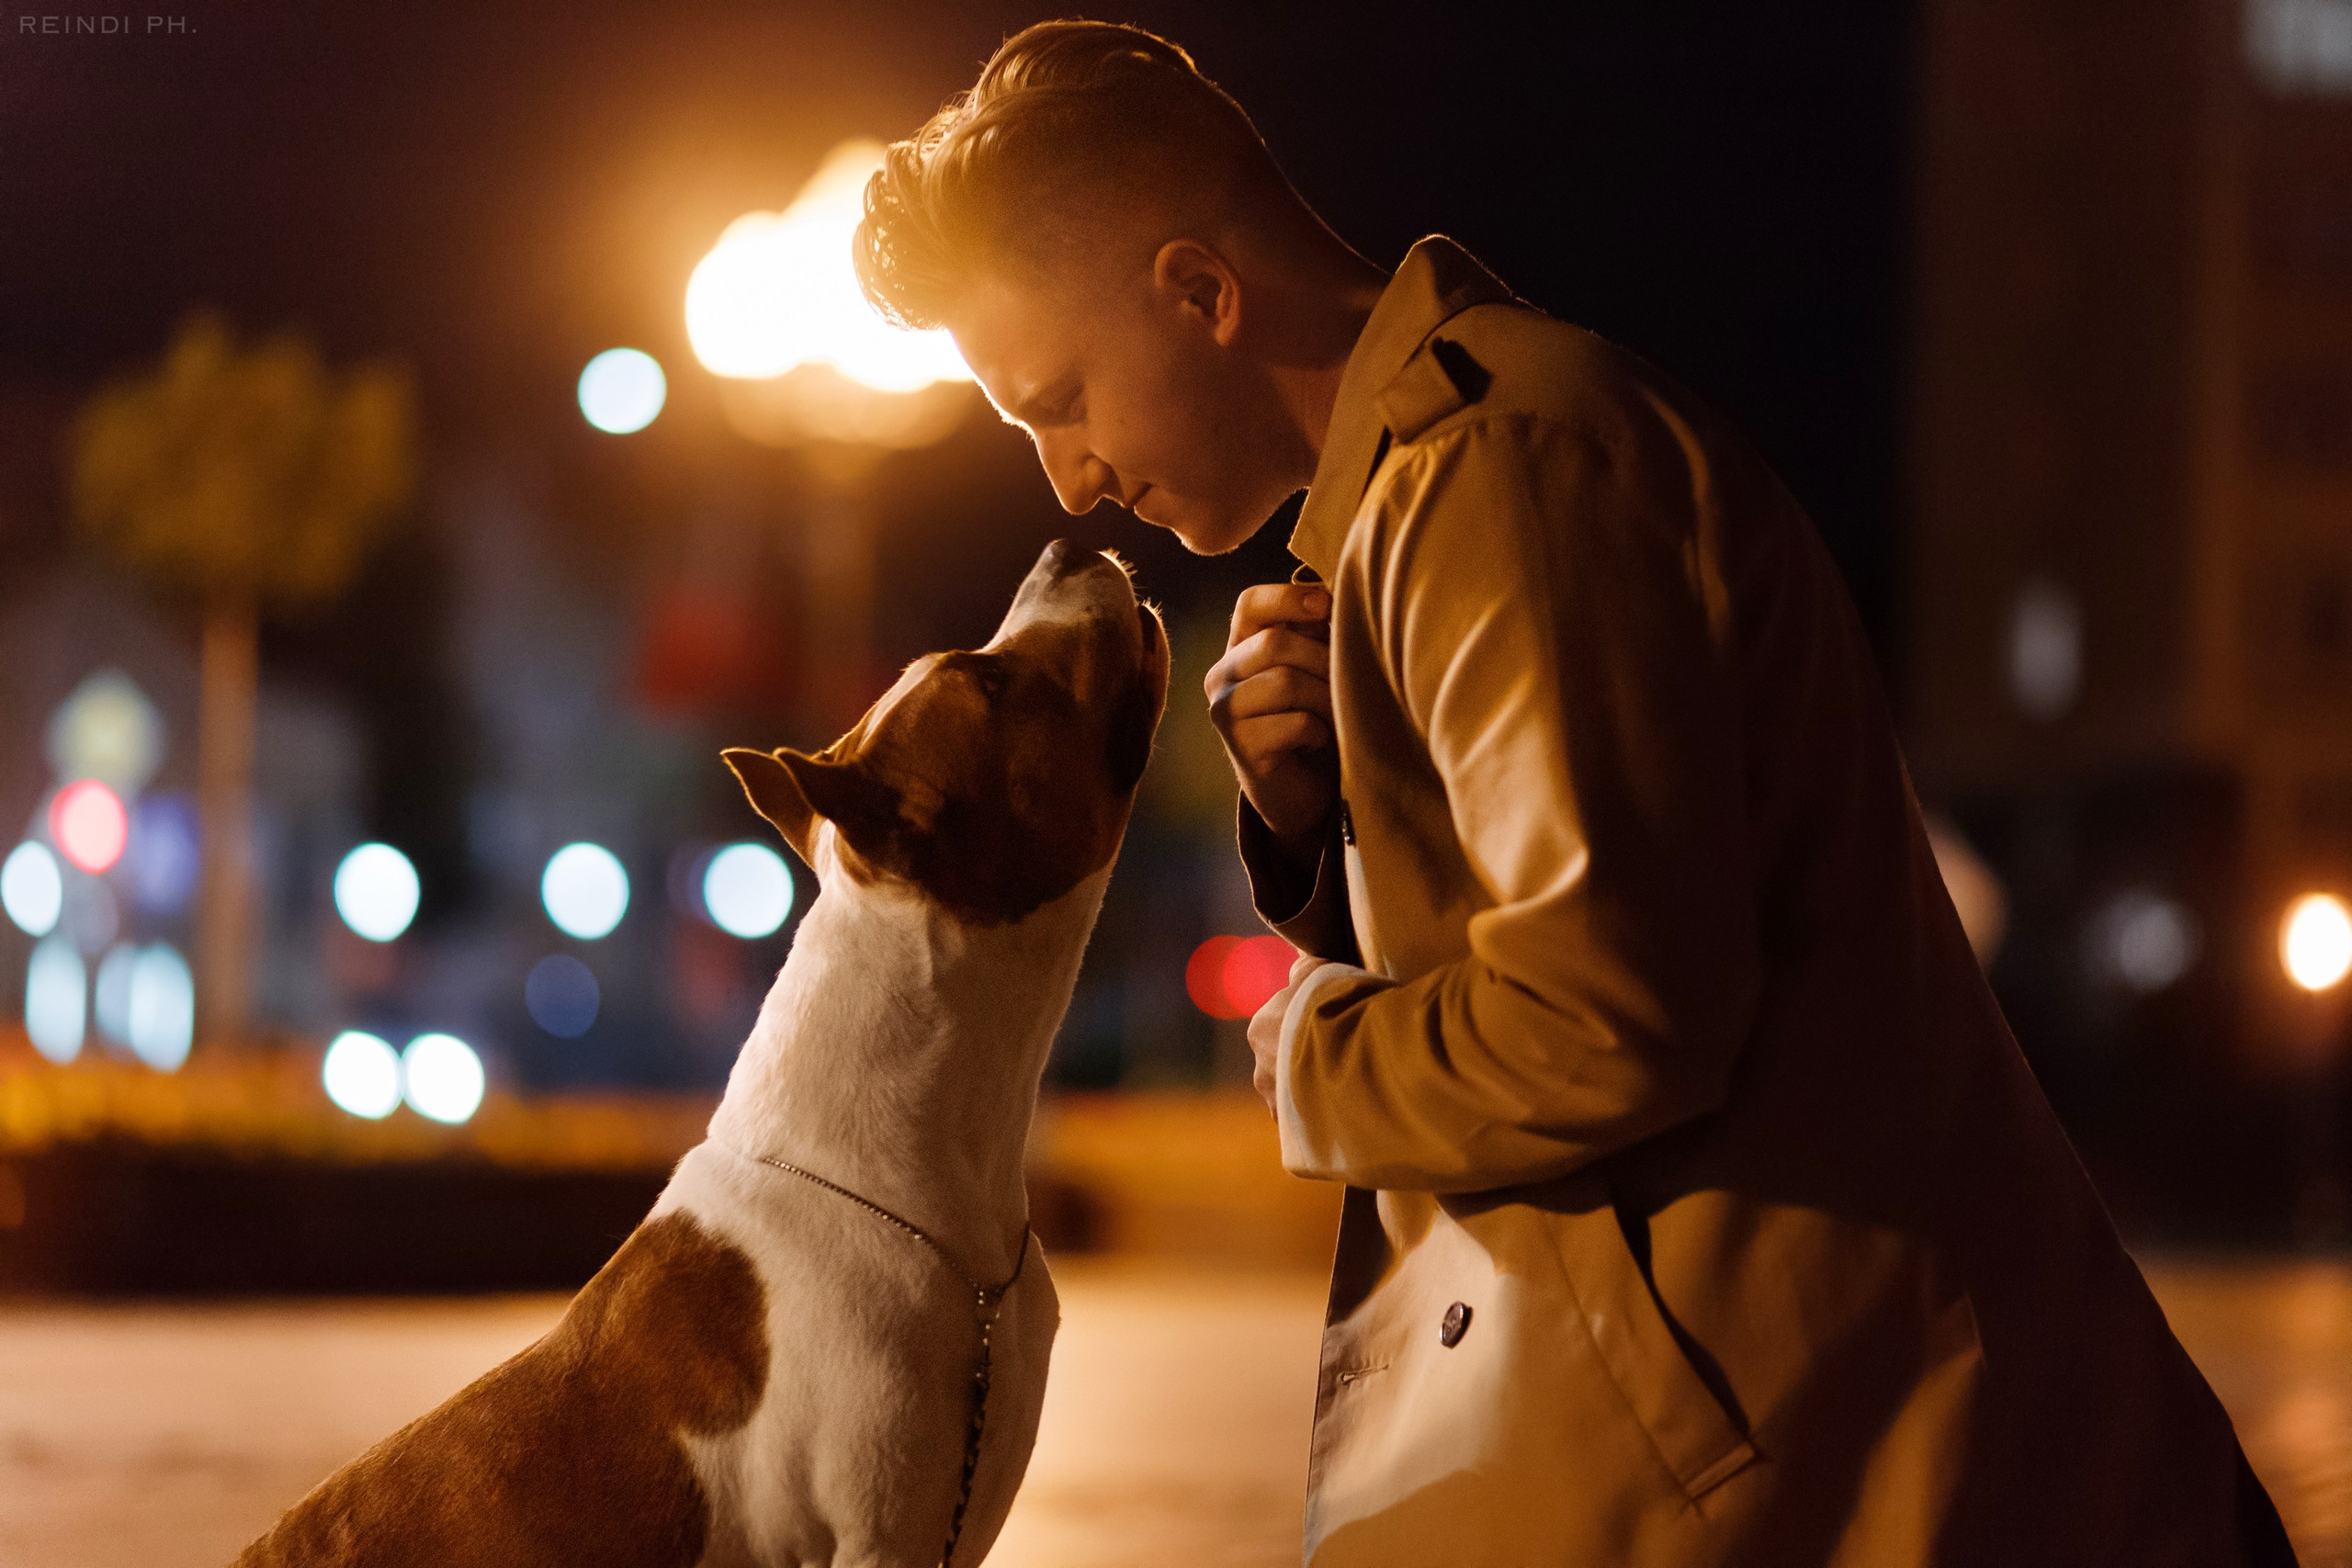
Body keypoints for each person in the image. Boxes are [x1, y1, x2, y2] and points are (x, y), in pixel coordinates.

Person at [853, 19, 2296, 1565]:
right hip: (1805, 1455)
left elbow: (1606, 1020)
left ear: (1201, 293)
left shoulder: (1505, 476)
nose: (1066, 478)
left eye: (1060, 396)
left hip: (1853, 1476)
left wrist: (1312, 1048)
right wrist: (1314, 819)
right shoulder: (1428, 494)